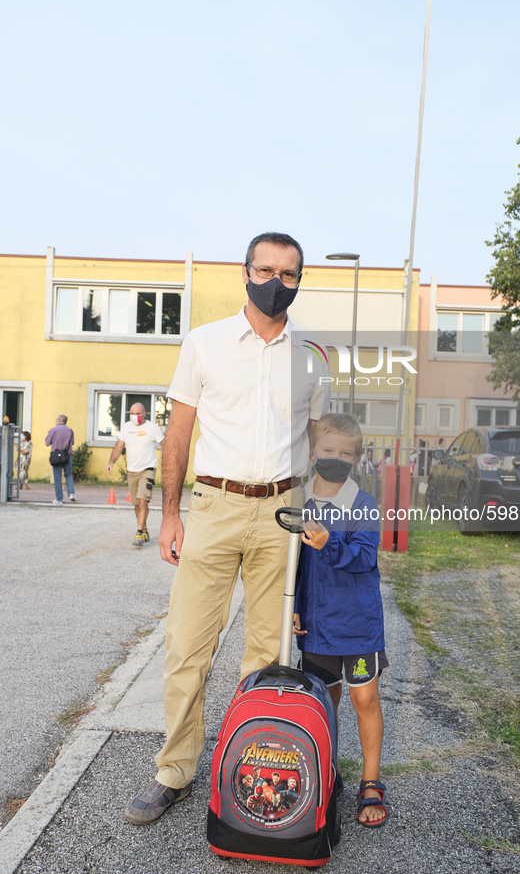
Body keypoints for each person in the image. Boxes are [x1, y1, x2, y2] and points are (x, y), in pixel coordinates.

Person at [125, 231, 329, 825]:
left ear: (298, 281)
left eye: (288, 275)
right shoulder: (205, 343)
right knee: (188, 644)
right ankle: (175, 770)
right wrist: (169, 514)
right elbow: (179, 435)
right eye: (265, 270)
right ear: (246, 273)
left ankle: (251, 764)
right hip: (214, 506)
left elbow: (319, 443)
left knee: (266, 653)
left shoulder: (311, 358)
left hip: (281, 512)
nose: (275, 283)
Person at [293, 412, 388, 827]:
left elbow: (365, 557)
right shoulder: (298, 501)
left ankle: (371, 780)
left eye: (346, 453)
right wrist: (294, 605)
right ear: (313, 451)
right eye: (328, 450)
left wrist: (331, 542)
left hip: (356, 625)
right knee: (321, 702)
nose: (336, 457)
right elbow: (291, 563)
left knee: (363, 699)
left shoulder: (363, 504)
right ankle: (324, 772)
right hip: (316, 624)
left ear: (356, 459)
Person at [106, 402, 164, 546]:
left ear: (144, 414)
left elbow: (166, 445)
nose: (134, 416)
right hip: (132, 471)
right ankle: (144, 529)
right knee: (137, 504)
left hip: (148, 469)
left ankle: (138, 533)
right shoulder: (126, 427)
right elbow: (119, 447)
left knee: (143, 500)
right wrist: (111, 461)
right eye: (132, 414)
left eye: (137, 414)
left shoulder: (152, 428)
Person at [45, 415, 76, 505]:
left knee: (57, 478)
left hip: (56, 456)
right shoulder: (70, 431)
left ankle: (59, 499)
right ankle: (71, 493)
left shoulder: (53, 430)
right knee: (69, 475)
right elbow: (72, 443)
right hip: (67, 455)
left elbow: (47, 442)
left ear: (58, 420)